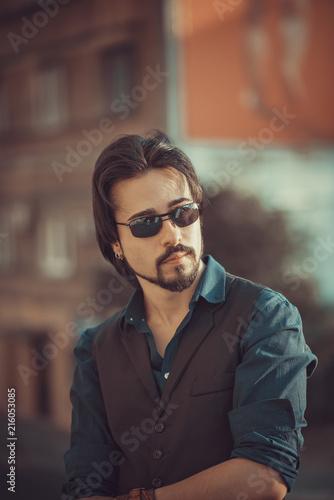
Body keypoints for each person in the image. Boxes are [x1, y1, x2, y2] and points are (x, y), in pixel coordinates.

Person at [62, 130, 317, 500]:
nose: (173, 234)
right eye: (146, 223)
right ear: (115, 244)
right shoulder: (96, 349)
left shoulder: (267, 318)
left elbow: (265, 475)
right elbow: (84, 482)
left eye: (183, 213)